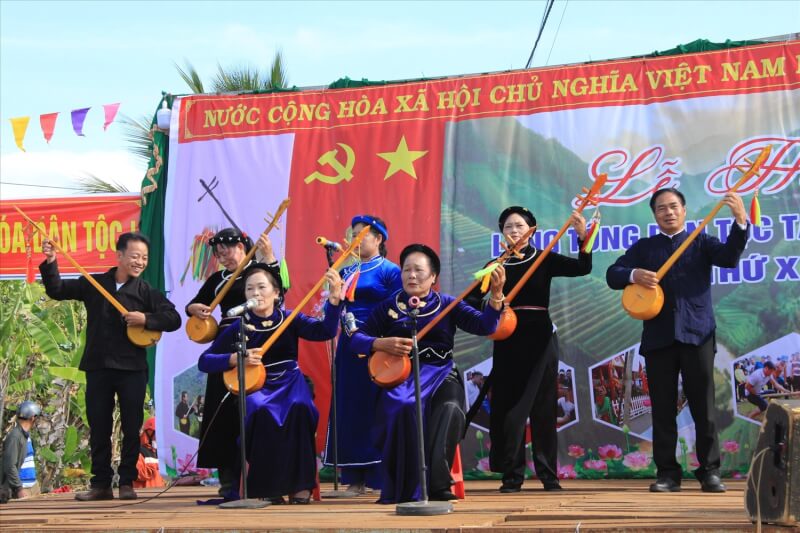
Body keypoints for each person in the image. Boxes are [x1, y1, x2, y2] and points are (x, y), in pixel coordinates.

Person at [606, 187, 749, 494]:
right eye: (661, 208)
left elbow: (729, 258)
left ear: (684, 210)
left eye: (673, 207)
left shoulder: (700, 240)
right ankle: (668, 473)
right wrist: (634, 275)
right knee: (662, 408)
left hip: (697, 333)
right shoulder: (645, 248)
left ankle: (710, 471)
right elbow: (612, 274)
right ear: (654, 214)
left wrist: (739, 222)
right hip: (659, 338)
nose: (668, 212)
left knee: (703, 408)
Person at [349, 244, 506, 503]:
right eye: (407, 270)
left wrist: (497, 295)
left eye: (419, 270)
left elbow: (486, 325)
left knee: (450, 409)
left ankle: (437, 483)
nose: (411, 275)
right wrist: (380, 343)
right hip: (401, 376)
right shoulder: (389, 307)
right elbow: (356, 339)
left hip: (441, 373)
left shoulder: (447, 304)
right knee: (400, 405)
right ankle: (405, 485)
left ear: (433, 277)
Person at [40, 232, 181, 501]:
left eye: (145, 258)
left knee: (131, 427)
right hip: (98, 366)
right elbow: (56, 290)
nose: (140, 262)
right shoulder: (95, 283)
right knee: (99, 426)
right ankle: (101, 484)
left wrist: (146, 318)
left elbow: (173, 318)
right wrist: (51, 260)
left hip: (132, 369)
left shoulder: (145, 292)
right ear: (119, 255)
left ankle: (126, 482)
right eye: (135, 256)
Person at [466, 205, 591, 493]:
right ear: (501, 233)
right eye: (508, 227)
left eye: (519, 226)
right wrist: (494, 303)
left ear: (531, 231)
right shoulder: (495, 266)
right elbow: (471, 302)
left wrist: (582, 237)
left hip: (541, 338)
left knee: (544, 408)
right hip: (508, 337)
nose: (514, 231)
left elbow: (582, 267)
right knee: (510, 409)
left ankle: (549, 475)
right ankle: (512, 476)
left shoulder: (543, 259)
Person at [198, 263, 343, 504]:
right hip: (257, 386)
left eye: (261, 287)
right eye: (249, 289)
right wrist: (234, 358)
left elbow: (325, 331)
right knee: (259, 410)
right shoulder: (239, 326)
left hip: (290, 381)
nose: (256, 293)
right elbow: (205, 361)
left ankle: (300, 485)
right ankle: (269, 487)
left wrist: (335, 302)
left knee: (301, 408)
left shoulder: (290, 319)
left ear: (276, 293)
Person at [186, 228, 276, 500]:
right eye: (219, 253)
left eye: (228, 250)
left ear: (242, 246)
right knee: (223, 413)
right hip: (226, 342)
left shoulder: (257, 272)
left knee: (258, 410)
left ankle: (263, 480)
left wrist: (268, 255)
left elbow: (280, 288)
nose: (223, 257)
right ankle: (228, 483)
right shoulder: (217, 279)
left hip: (257, 337)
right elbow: (193, 304)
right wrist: (196, 310)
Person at [323, 215, 401, 494]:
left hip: (378, 345)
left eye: (362, 234)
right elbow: (333, 310)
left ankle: (380, 477)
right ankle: (354, 477)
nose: (355, 239)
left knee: (377, 407)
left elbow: (398, 308)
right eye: (352, 234)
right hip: (349, 344)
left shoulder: (391, 271)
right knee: (350, 407)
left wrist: (382, 339)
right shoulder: (345, 272)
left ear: (379, 238)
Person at [1, 401, 41, 500]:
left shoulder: (26, 436)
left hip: (33, 486)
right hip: (22, 489)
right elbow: (9, 465)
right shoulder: (15, 437)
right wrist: (19, 488)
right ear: (32, 418)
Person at [134, 417, 165, 489]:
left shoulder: (157, 452)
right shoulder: (138, 451)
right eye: (158, 434)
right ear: (149, 433)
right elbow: (138, 474)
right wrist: (156, 465)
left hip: (159, 495)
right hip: (144, 495)